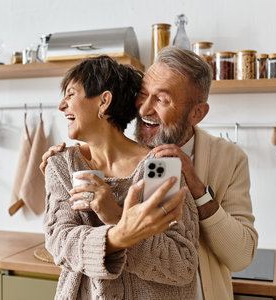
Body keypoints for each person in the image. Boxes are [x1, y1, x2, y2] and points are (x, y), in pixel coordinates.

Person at [42, 47, 258, 300]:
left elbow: (211, 258)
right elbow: (59, 240)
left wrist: (197, 191)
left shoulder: (173, 165)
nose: (144, 109)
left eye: (162, 100)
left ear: (197, 113)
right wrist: (61, 168)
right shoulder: (68, 161)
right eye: (142, 95)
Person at [43, 55, 200, 300]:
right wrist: (119, 235)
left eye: (71, 94)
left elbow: (181, 264)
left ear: (104, 102)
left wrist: (114, 215)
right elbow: (60, 244)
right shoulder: (61, 164)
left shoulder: (159, 167)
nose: (62, 105)